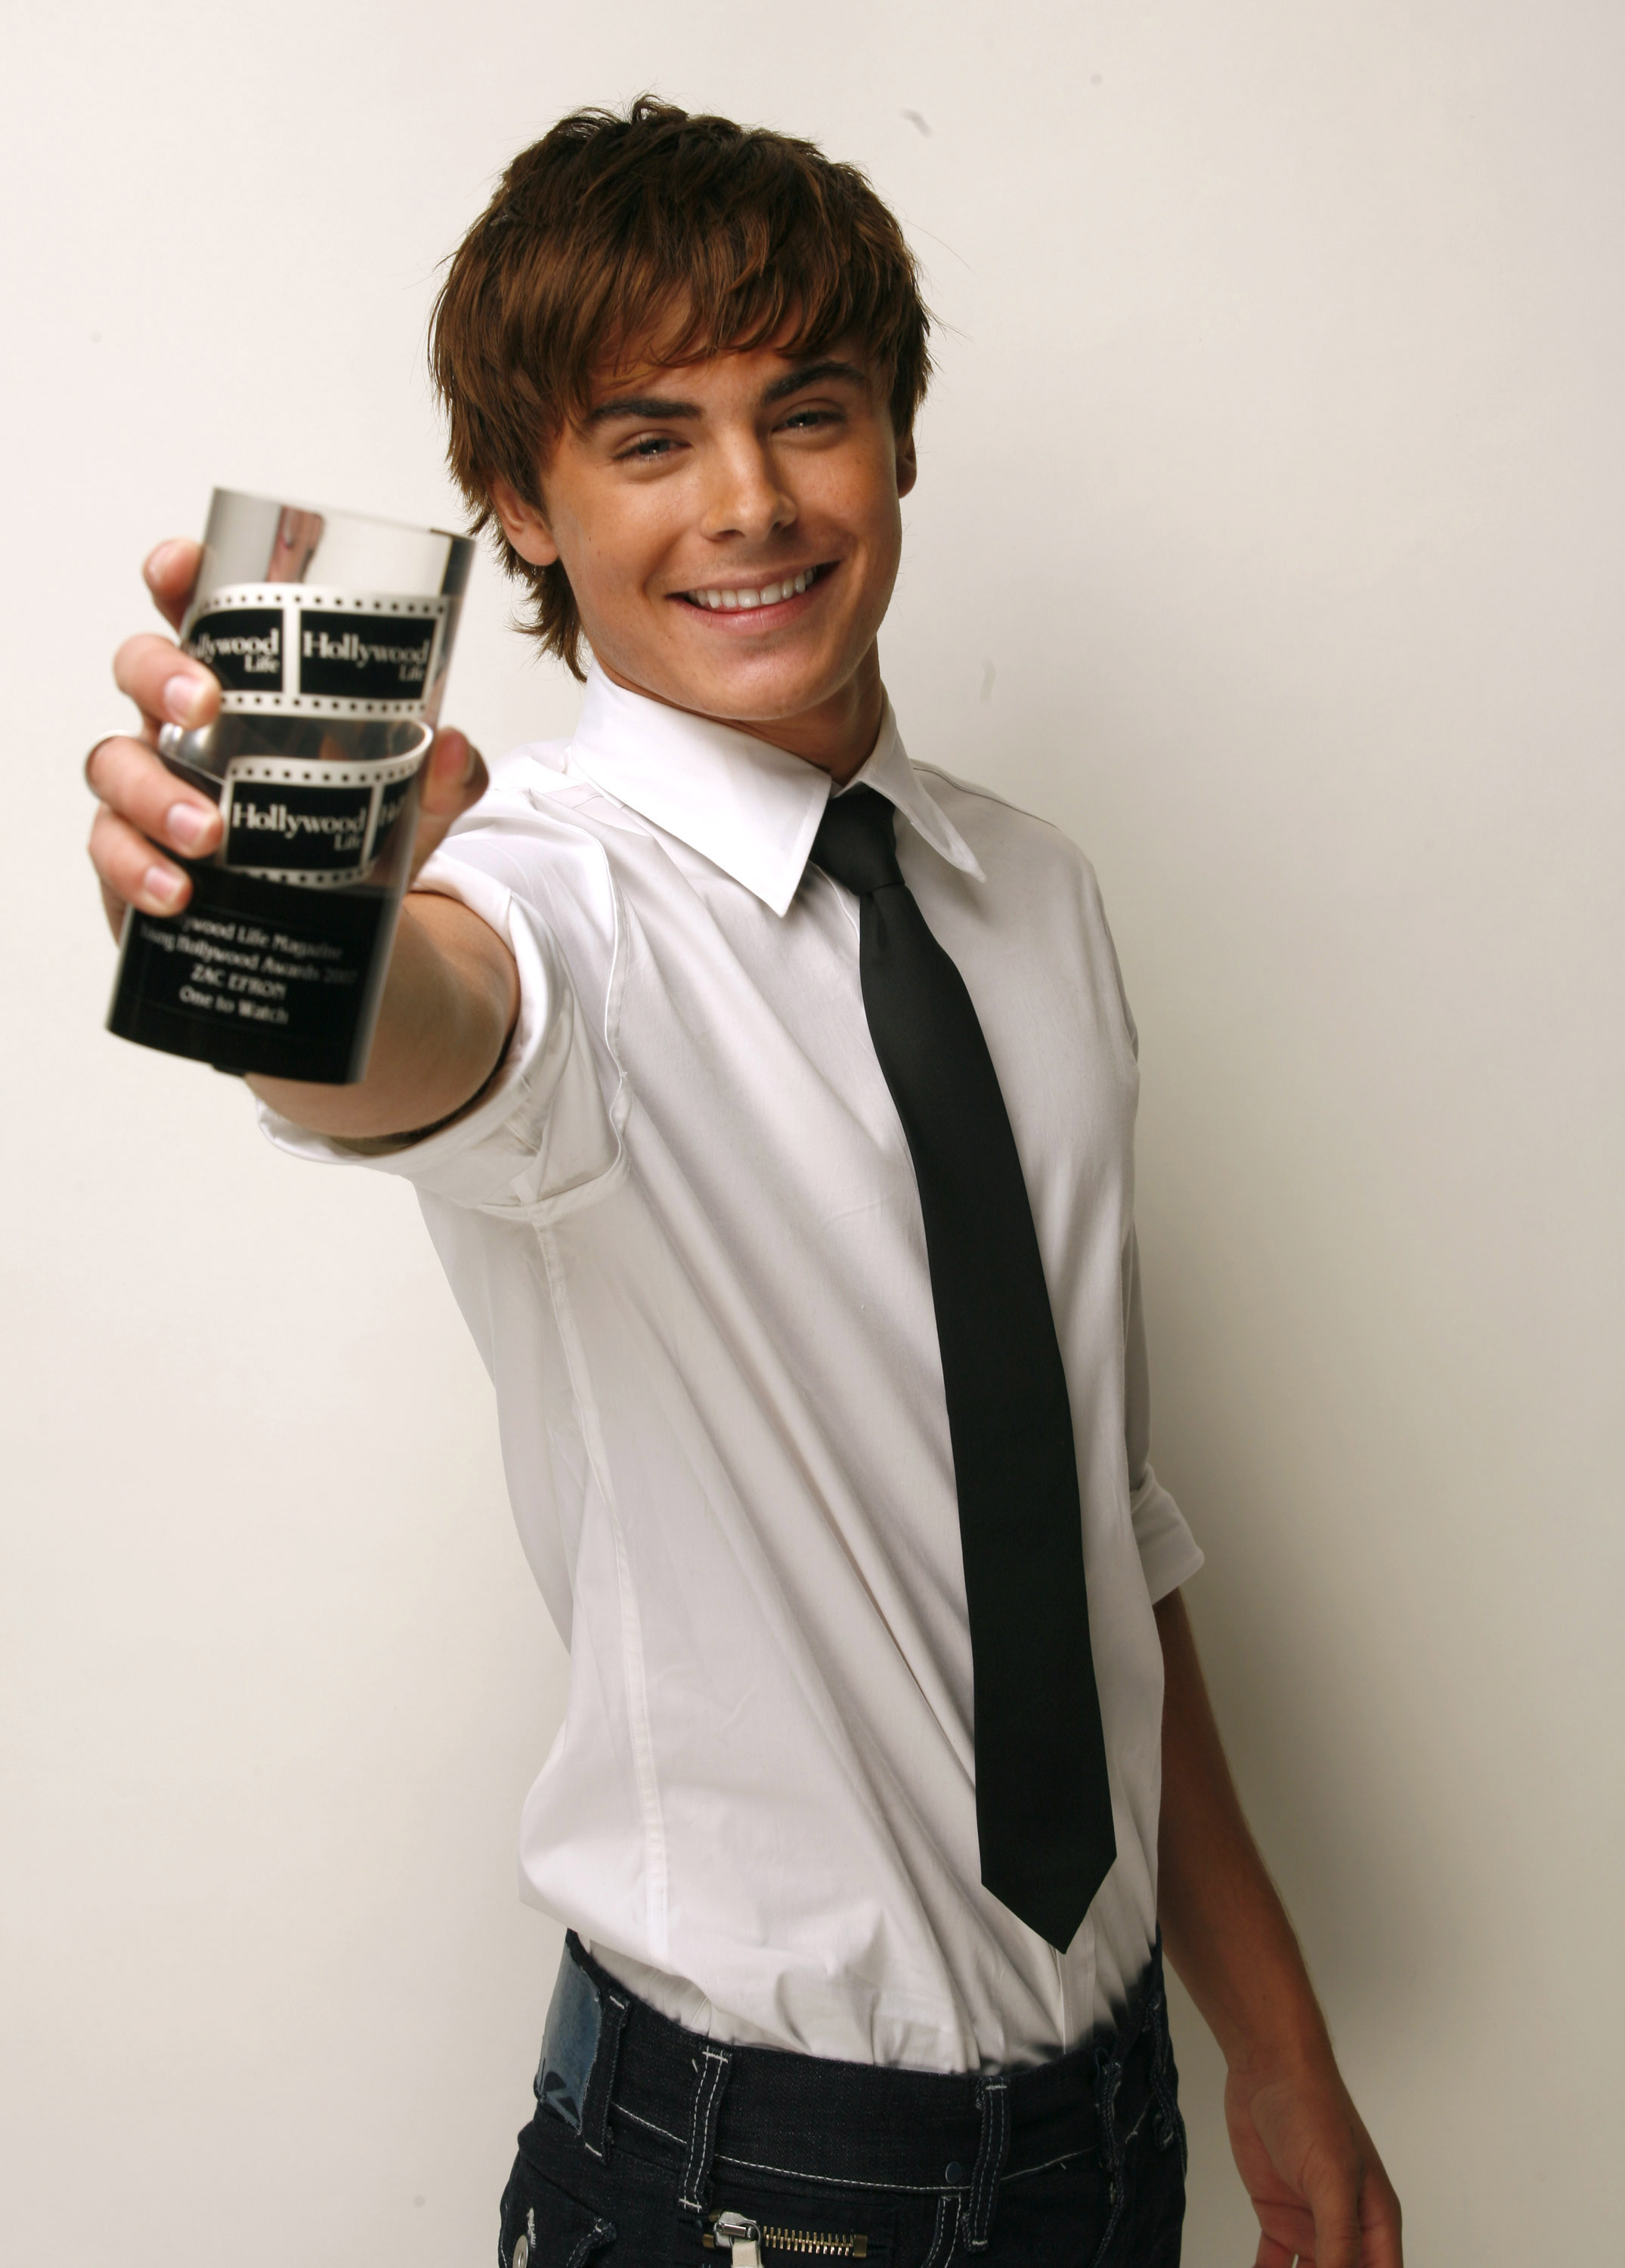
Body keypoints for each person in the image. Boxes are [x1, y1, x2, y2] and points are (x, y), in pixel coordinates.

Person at [85, 99, 1402, 2268]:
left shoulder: (1035, 901)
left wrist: (1268, 2037)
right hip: (745, 2199)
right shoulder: (551, 912)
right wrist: (280, 942)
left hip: (1119, 2140)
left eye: (812, 413)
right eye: (649, 439)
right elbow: (419, 1034)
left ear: (895, 437)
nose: (754, 505)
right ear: (521, 495)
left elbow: (1090, 1522)